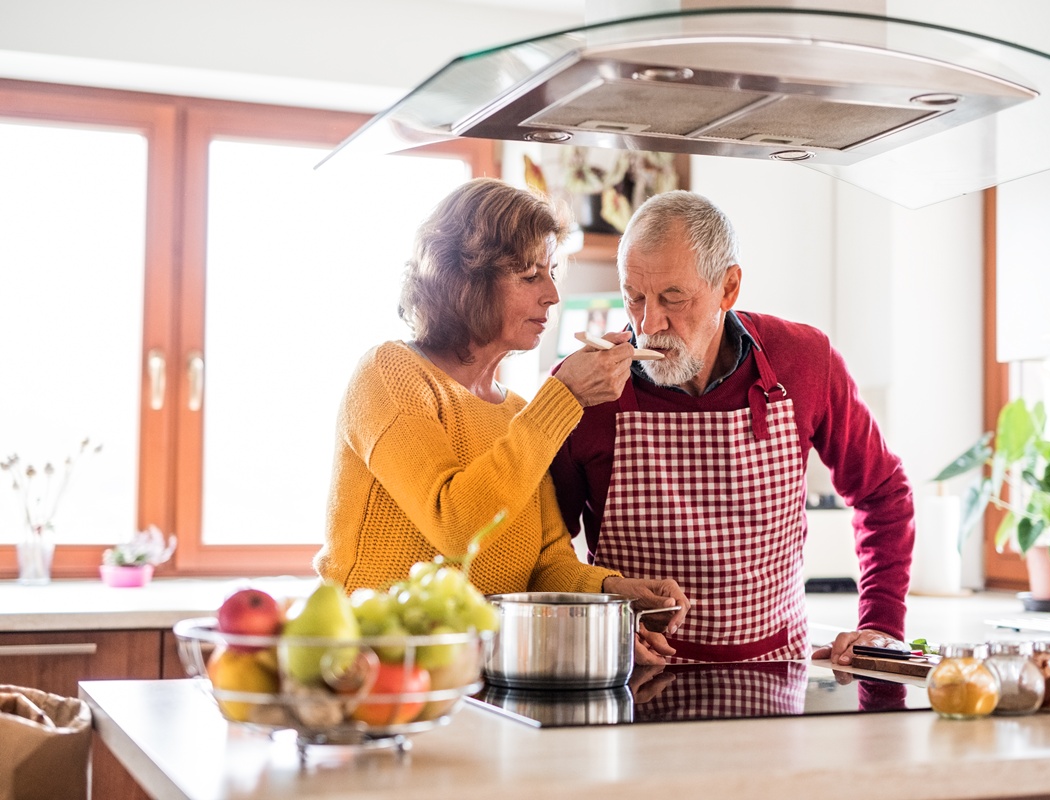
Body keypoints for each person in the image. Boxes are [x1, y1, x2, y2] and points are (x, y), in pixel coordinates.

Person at [315, 177, 689, 663]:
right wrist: (565, 397)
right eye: (530, 275)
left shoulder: (517, 412)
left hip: (479, 673)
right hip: (370, 671)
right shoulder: (390, 375)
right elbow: (457, 525)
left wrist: (617, 593)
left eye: (551, 271)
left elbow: (548, 563)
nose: (553, 294)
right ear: (464, 281)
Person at [550, 190, 914, 666]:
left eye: (672, 298)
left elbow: (884, 493)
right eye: (633, 297)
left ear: (728, 288)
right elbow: (547, 550)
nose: (647, 323)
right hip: (631, 682)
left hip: (775, 676)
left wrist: (882, 624)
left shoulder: (804, 359)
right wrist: (598, 622)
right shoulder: (583, 389)